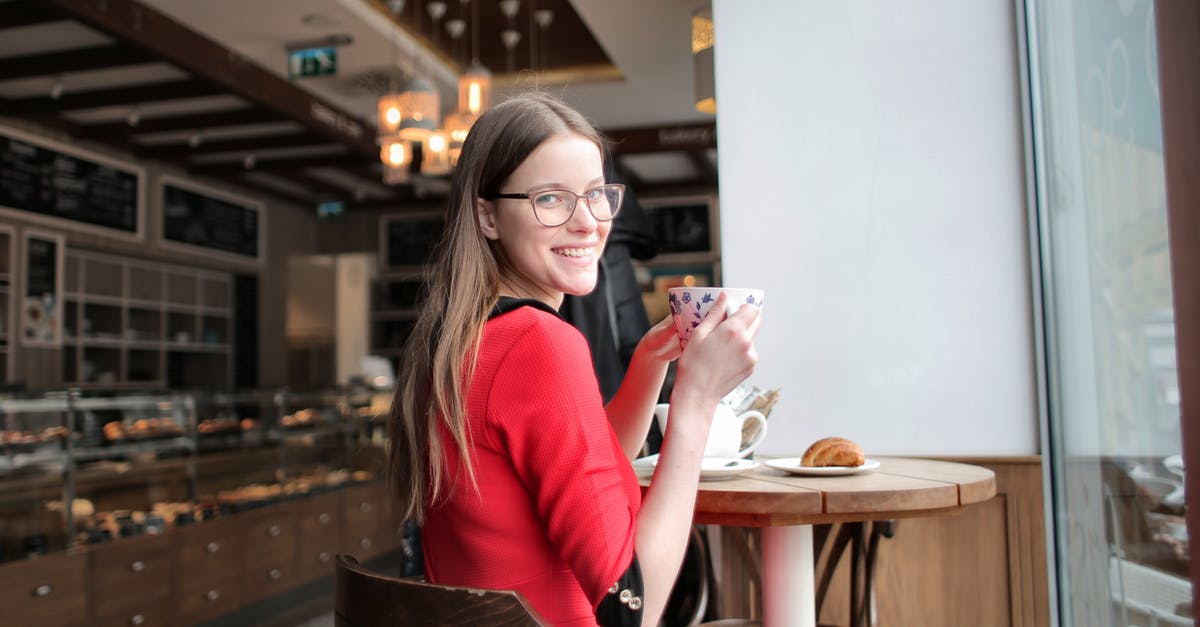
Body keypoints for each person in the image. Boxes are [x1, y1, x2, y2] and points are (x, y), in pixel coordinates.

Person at [388, 92, 760, 627]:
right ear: (487, 216)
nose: (588, 223)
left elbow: (585, 472)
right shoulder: (539, 343)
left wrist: (651, 363)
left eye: (596, 195)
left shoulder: (455, 340)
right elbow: (633, 608)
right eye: (550, 199)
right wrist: (696, 400)